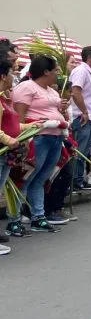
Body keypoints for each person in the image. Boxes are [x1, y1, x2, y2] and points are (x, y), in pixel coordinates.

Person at [9, 54, 69, 234]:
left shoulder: (51, 91)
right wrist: (24, 139)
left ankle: (38, 217)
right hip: (38, 138)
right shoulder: (26, 88)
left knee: (41, 178)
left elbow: (58, 114)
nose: (58, 73)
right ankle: (15, 219)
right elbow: (18, 118)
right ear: (45, 71)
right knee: (25, 178)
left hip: (55, 137)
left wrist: (62, 111)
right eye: (55, 70)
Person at [0, 59, 43, 251]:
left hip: (6, 154)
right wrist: (8, 140)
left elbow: (13, 125)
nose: (13, 76)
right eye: (11, 72)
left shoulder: (4, 98)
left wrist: (29, 126)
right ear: (2, 76)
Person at [69, 45, 91, 190]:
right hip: (81, 117)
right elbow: (76, 92)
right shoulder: (81, 71)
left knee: (84, 151)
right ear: (89, 58)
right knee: (79, 151)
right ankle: (74, 182)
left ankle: (78, 180)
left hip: (90, 117)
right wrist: (84, 111)